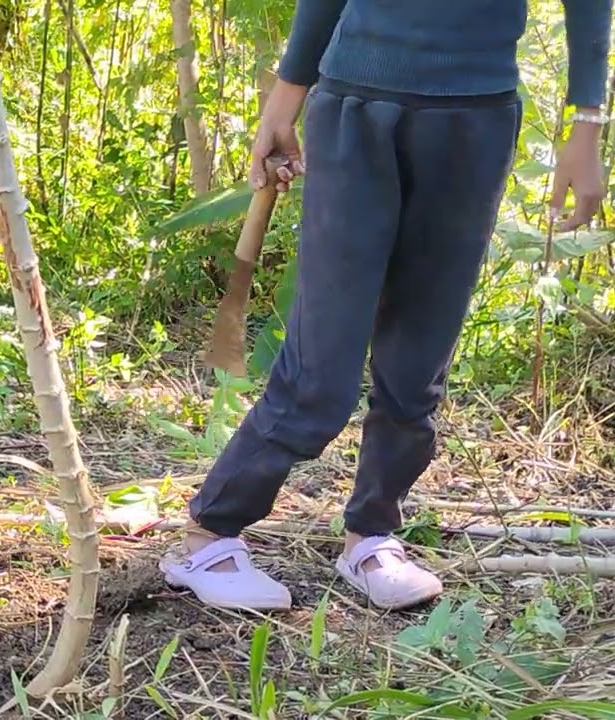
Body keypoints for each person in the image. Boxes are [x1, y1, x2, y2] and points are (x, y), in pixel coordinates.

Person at [161, 0, 611, 612]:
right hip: (355, 110)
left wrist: (587, 122)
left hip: (474, 118)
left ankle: (371, 535)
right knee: (321, 365)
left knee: (419, 354)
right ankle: (208, 534)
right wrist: (285, 97)